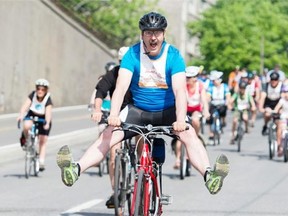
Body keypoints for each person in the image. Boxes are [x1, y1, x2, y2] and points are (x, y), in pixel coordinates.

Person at [56, 12, 229, 195]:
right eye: (148, 32)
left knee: (189, 135)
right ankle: (74, 170)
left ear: (163, 34)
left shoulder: (174, 56)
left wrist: (180, 120)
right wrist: (114, 115)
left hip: (167, 111)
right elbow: (121, 87)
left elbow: (179, 91)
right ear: (142, 34)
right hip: (137, 111)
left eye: (157, 33)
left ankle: (210, 176)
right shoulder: (132, 54)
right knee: (108, 134)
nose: (153, 37)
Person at [90, 46, 130, 208]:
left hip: (136, 112)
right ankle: (115, 191)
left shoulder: (141, 72)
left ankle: (144, 172)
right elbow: (100, 91)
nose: (124, 64)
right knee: (113, 155)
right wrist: (97, 110)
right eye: (122, 62)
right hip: (117, 114)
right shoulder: (114, 73)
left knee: (142, 139)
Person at [172, 66, 210, 169]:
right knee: (180, 136)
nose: (188, 80)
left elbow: (204, 100)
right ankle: (178, 160)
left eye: (190, 78)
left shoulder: (200, 86)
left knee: (195, 120)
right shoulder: (182, 86)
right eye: (186, 77)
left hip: (196, 109)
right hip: (184, 110)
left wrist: (206, 111)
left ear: (195, 78)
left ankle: (195, 137)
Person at [17, 79, 53, 171]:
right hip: (32, 115)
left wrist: (47, 123)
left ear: (46, 90)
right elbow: (25, 106)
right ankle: (26, 139)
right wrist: (21, 115)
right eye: (38, 89)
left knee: (43, 140)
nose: (40, 91)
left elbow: (48, 113)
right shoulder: (32, 95)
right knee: (26, 125)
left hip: (43, 118)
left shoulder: (47, 99)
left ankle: (41, 161)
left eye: (42, 89)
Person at [206, 70, 231, 142]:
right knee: (210, 118)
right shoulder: (211, 87)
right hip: (214, 105)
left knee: (223, 113)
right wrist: (207, 101)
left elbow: (228, 96)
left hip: (222, 105)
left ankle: (223, 122)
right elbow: (208, 96)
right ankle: (211, 133)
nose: (213, 82)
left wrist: (227, 102)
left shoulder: (225, 86)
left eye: (215, 80)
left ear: (219, 80)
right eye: (213, 80)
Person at [273, 84, 288, 156]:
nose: (286, 94)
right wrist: (276, 111)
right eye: (285, 92)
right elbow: (277, 108)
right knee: (280, 127)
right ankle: (279, 146)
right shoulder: (282, 100)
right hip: (284, 118)